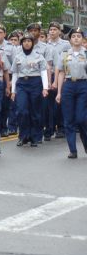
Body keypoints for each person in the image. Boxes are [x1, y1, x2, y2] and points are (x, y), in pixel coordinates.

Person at [11, 32, 48, 147]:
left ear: (32, 43)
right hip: (22, 84)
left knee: (35, 111)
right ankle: (23, 136)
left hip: (35, 83)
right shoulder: (18, 56)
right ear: (21, 44)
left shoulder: (38, 56)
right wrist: (13, 90)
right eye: (24, 41)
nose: (27, 43)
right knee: (22, 110)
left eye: (29, 41)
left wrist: (45, 87)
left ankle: (35, 137)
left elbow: (43, 72)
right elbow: (15, 74)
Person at [54, 27, 87, 159]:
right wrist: (59, 92)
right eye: (74, 36)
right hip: (68, 86)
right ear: (70, 39)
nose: (76, 38)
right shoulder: (65, 54)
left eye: (79, 36)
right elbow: (61, 73)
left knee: (81, 118)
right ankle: (72, 150)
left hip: (83, 85)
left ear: (83, 39)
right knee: (68, 119)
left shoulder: (86, 53)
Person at [47, 22, 70, 141]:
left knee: (59, 103)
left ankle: (61, 127)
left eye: (55, 29)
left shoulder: (66, 45)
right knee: (49, 104)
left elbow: (68, 60)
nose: (52, 31)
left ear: (59, 31)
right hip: (49, 75)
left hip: (61, 75)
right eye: (50, 29)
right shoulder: (46, 44)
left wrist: (66, 74)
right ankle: (50, 128)